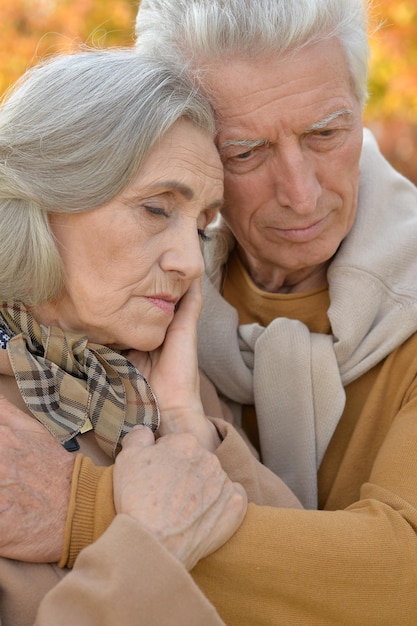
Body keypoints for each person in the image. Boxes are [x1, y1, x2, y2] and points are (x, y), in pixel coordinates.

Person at [132, 0, 417, 622]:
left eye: (325, 133)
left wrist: (98, 516)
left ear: (361, 105)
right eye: (246, 153)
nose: (301, 192)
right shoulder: (128, 295)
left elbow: (404, 578)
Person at [0, 47, 301, 625]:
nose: (190, 261)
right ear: (41, 201)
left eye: (202, 225)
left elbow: (311, 593)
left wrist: (189, 422)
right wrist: (148, 550)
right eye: (157, 208)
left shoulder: (162, 388)